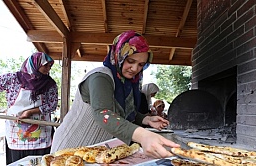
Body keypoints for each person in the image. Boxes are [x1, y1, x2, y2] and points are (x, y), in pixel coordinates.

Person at [51, 30, 180, 158]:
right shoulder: (100, 77)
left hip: (95, 153)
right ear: (119, 55)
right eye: (130, 61)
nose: (135, 69)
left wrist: (146, 119)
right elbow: (104, 113)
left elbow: (122, 112)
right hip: (70, 148)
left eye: (141, 64)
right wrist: (143, 135)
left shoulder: (126, 84)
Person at [0, 52, 58, 164]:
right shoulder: (13, 79)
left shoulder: (50, 84)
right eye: (46, 65)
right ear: (36, 64)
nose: (48, 68)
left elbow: (52, 105)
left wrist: (30, 112)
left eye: (50, 66)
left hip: (41, 133)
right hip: (17, 133)